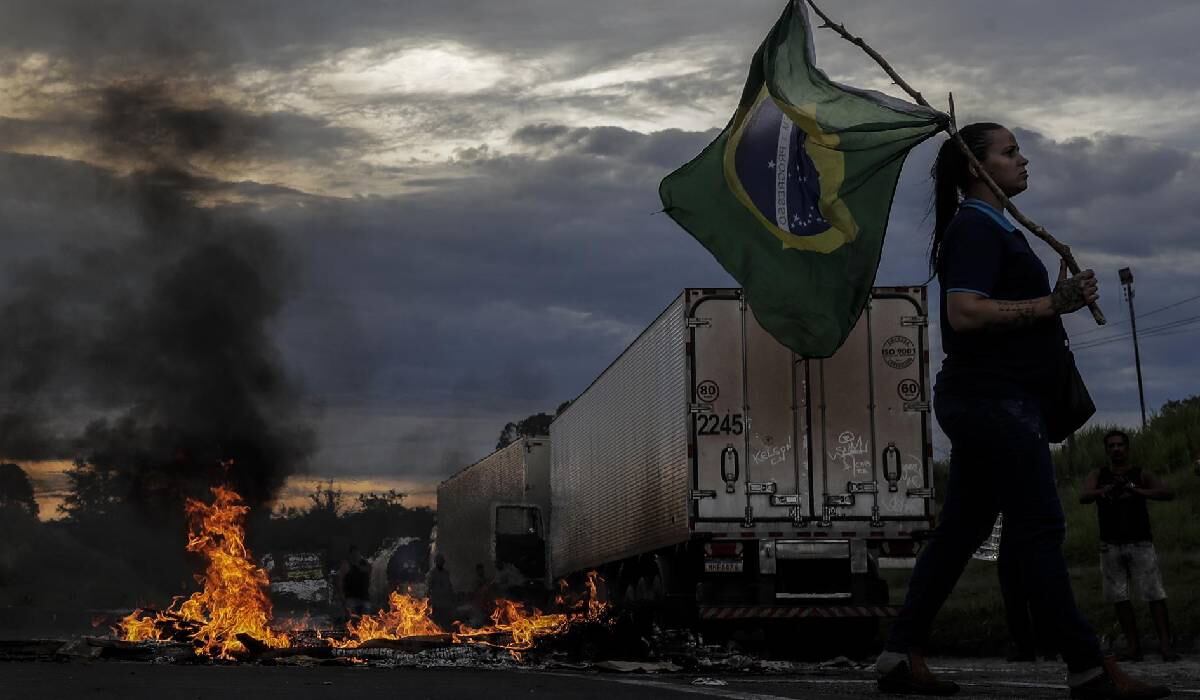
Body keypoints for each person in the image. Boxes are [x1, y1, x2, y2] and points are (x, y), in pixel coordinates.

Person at [875, 122, 1169, 699]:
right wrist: (1048, 303)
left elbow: (1011, 311)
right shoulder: (974, 229)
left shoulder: (995, 227)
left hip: (989, 400)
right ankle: (1087, 665)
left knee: (962, 529)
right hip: (994, 402)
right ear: (976, 168)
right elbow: (964, 312)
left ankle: (896, 655)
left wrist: (1060, 302)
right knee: (1040, 527)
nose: (1023, 160)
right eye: (1009, 153)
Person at [1080, 430, 1179, 662]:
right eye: (1112, 446)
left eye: (1120, 445)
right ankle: (1133, 647)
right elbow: (1084, 496)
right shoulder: (1100, 475)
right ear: (1106, 450)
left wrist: (1136, 490)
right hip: (1110, 545)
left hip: (1140, 542)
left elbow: (1167, 492)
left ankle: (1165, 645)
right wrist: (1104, 491)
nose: (1116, 449)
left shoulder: (1139, 473)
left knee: (1154, 594)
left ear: (1127, 448)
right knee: (1120, 598)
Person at [426, 552, 456, 631]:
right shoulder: (432, 573)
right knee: (436, 622)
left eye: (442, 561)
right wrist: (428, 599)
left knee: (445, 621)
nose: (441, 562)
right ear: (436, 562)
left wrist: (452, 595)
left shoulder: (446, 573)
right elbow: (429, 587)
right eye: (439, 561)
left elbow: (449, 586)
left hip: (446, 602)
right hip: (436, 602)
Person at [339, 545, 371, 618]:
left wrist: (358, 564)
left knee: (366, 621)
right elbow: (340, 581)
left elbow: (369, 570)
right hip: (351, 598)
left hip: (364, 597)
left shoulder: (364, 563)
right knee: (353, 620)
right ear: (350, 555)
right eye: (354, 554)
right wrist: (342, 596)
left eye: (357, 553)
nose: (356, 555)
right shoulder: (346, 564)